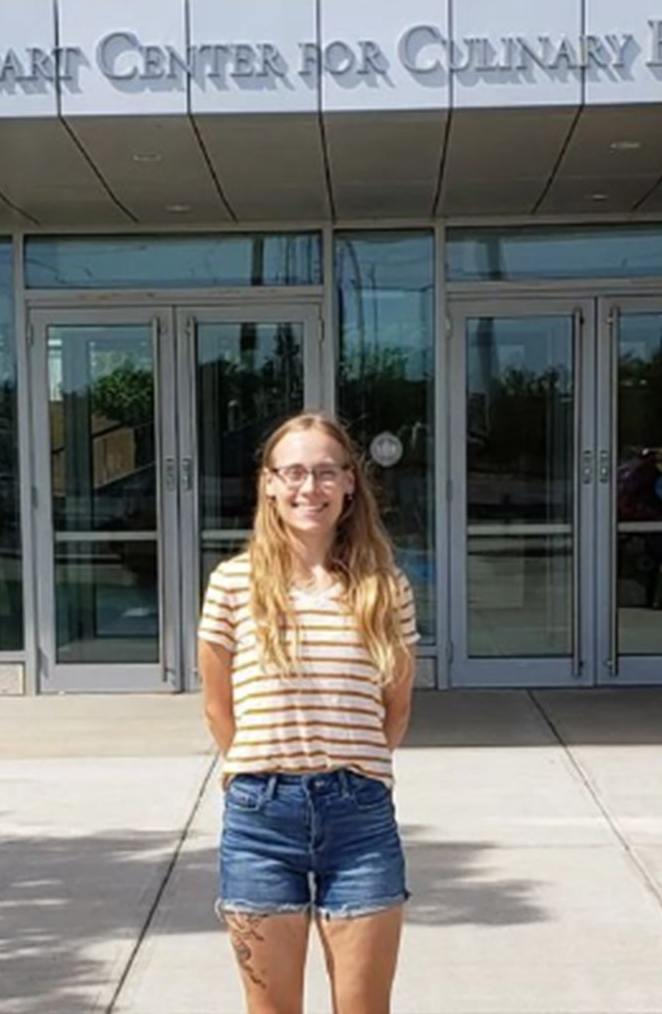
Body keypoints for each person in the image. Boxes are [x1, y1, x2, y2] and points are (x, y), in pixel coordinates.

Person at [198, 411, 419, 1014]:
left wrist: (352, 764)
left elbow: (394, 708)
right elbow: (219, 708)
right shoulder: (232, 584)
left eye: (325, 472)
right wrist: (264, 767)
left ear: (350, 482)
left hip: (361, 820)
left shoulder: (385, 586)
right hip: (259, 823)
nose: (309, 488)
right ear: (268, 484)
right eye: (292, 472)